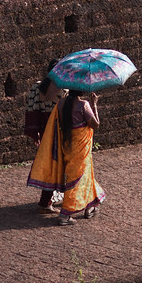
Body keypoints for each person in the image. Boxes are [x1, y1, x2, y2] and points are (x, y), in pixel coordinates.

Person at [26, 89, 105, 226]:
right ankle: (65, 214)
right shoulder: (83, 105)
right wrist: (94, 104)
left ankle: (90, 205)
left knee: (82, 175)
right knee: (77, 178)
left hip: (67, 145)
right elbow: (95, 124)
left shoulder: (61, 103)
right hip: (80, 149)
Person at [24, 60, 67, 214]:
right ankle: (49, 200)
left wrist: (35, 132)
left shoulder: (36, 87)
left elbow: (31, 109)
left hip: (44, 131)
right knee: (60, 165)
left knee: (50, 164)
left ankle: (49, 198)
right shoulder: (64, 90)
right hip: (58, 132)